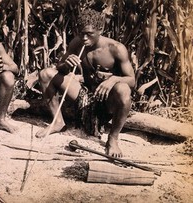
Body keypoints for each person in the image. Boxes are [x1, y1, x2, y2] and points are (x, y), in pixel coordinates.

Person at [35, 9, 135, 158]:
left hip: (107, 100)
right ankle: (58, 122)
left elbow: (132, 80)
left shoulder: (116, 49)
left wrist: (113, 79)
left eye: (89, 34)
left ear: (100, 30)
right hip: (85, 95)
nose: (84, 38)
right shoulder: (77, 43)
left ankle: (113, 139)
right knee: (45, 74)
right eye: (81, 33)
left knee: (123, 89)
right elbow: (60, 68)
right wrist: (66, 65)